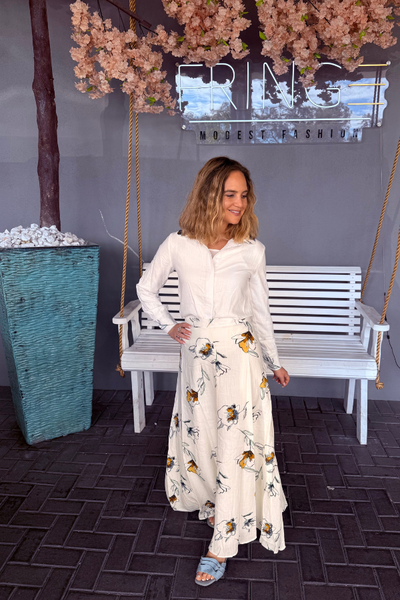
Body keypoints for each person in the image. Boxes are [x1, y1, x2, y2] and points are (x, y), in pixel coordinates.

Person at [136, 157, 290, 586]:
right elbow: (146, 289)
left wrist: (273, 361)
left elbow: (260, 313)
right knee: (201, 436)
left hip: (240, 359)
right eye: (230, 195)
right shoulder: (178, 244)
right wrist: (169, 325)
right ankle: (213, 500)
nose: (239, 203)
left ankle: (222, 541)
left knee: (236, 441)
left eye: (244, 195)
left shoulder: (251, 251)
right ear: (209, 195)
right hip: (196, 357)